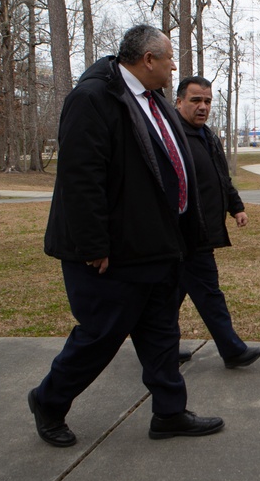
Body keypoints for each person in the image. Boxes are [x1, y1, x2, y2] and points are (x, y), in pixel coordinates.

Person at [28, 25, 224, 447]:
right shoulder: (94, 99)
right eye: (169, 57)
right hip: (113, 252)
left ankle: (169, 414)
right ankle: (48, 401)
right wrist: (92, 244)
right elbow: (81, 178)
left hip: (158, 245)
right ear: (148, 60)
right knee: (100, 336)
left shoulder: (153, 101)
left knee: (160, 334)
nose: (175, 64)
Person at [174, 77, 260, 369]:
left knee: (169, 295)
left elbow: (221, 177)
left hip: (202, 231)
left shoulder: (207, 136)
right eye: (196, 100)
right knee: (209, 292)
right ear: (179, 102)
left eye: (207, 101)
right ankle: (232, 349)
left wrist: (236, 207)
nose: (203, 107)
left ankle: (160, 348)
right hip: (184, 235)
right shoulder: (172, 137)